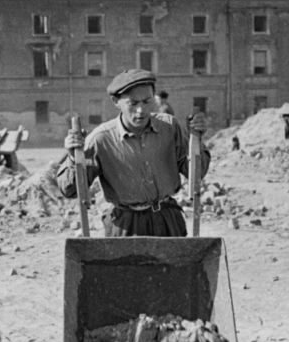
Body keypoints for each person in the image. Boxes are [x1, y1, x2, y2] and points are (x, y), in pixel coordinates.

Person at [56, 69, 210, 236]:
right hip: (125, 226)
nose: (141, 110)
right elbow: (71, 190)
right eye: (133, 103)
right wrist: (73, 158)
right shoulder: (101, 139)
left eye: (146, 101)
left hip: (168, 221)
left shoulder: (169, 127)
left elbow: (196, 173)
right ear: (116, 101)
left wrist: (196, 141)